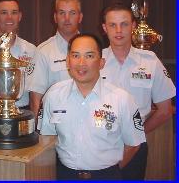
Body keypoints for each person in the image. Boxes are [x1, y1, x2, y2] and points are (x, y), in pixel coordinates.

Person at [40, 33, 146, 180]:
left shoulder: (122, 99)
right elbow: (46, 139)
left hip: (107, 176)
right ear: (68, 61)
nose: (81, 63)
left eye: (89, 56)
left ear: (101, 62)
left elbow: (133, 145)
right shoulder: (53, 95)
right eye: (75, 56)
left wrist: (109, 172)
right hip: (65, 175)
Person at [100, 3, 176, 180]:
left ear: (133, 26)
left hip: (136, 147)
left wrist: (137, 133)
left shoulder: (150, 61)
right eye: (112, 25)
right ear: (104, 28)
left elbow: (165, 110)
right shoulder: (95, 60)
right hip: (99, 143)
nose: (119, 30)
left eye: (124, 24)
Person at [27, 0, 83, 121]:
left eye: (72, 13)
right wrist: (40, 133)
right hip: (55, 127)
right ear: (55, 17)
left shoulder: (92, 49)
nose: (67, 18)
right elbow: (36, 98)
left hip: (88, 125)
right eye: (62, 13)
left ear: (80, 17)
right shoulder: (43, 51)